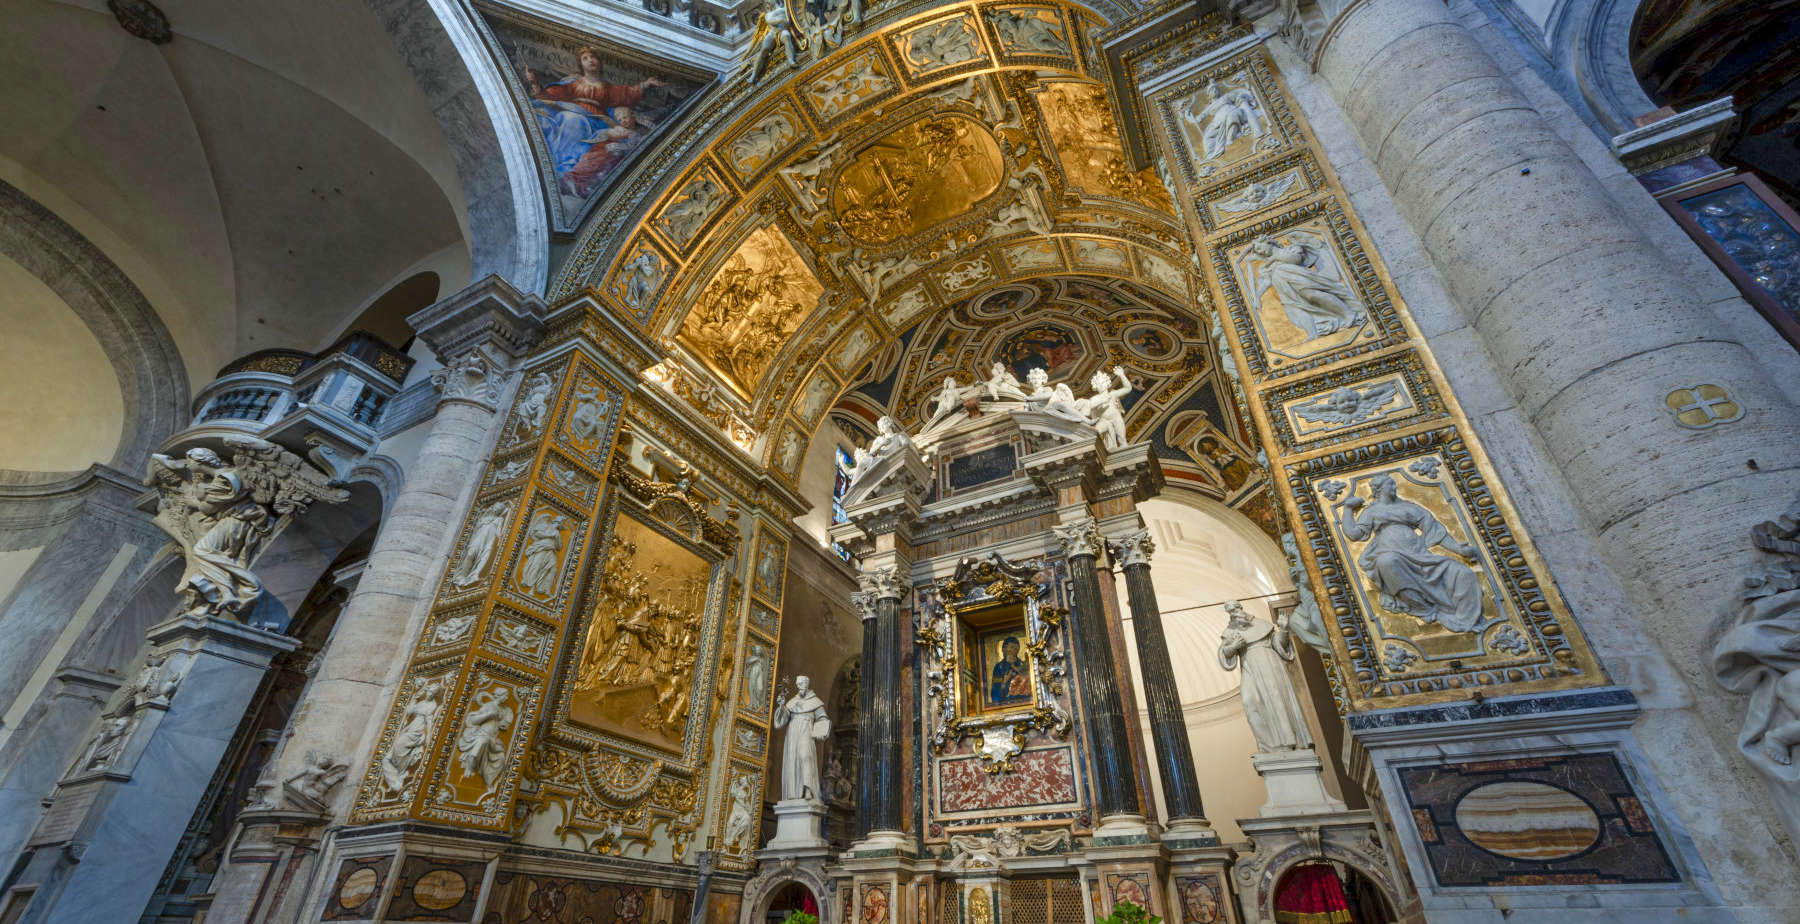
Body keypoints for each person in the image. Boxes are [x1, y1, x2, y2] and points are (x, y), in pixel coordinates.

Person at [1337, 474, 1483, 633]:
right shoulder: (1372, 511)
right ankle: (1425, 609)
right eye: (1390, 485)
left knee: (1463, 573)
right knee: (1387, 562)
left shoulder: (1409, 507)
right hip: (1390, 552)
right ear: (1379, 489)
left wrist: (1458, 549)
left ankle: (1464, 619)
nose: (1394, 488)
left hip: (1420, 554)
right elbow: (1354, 534)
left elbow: (1435, 530)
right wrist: (1348, 509)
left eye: (1394, 485)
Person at [773, 675, 831, 800]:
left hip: (806, 731)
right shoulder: (793, 702)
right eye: (799, 684)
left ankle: (808, 789)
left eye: (803, 684)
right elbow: (781, 721)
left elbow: (822, 718)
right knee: (793, 759)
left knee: (805, 756)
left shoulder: (815, 701)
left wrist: (820, 730)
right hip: (793, 733)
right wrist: (782, 706)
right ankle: (793, 793)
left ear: (807, 684)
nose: (801, 686)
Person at [989, 636, 1031, 706]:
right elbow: (995, 689)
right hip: (1005, 703)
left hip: (1022, 700)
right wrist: (1004, 682)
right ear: (1003, 649)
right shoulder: (999, 667)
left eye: (1016, 649)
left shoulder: (1022, 665)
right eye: (1011, 647)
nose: (1014, 651)